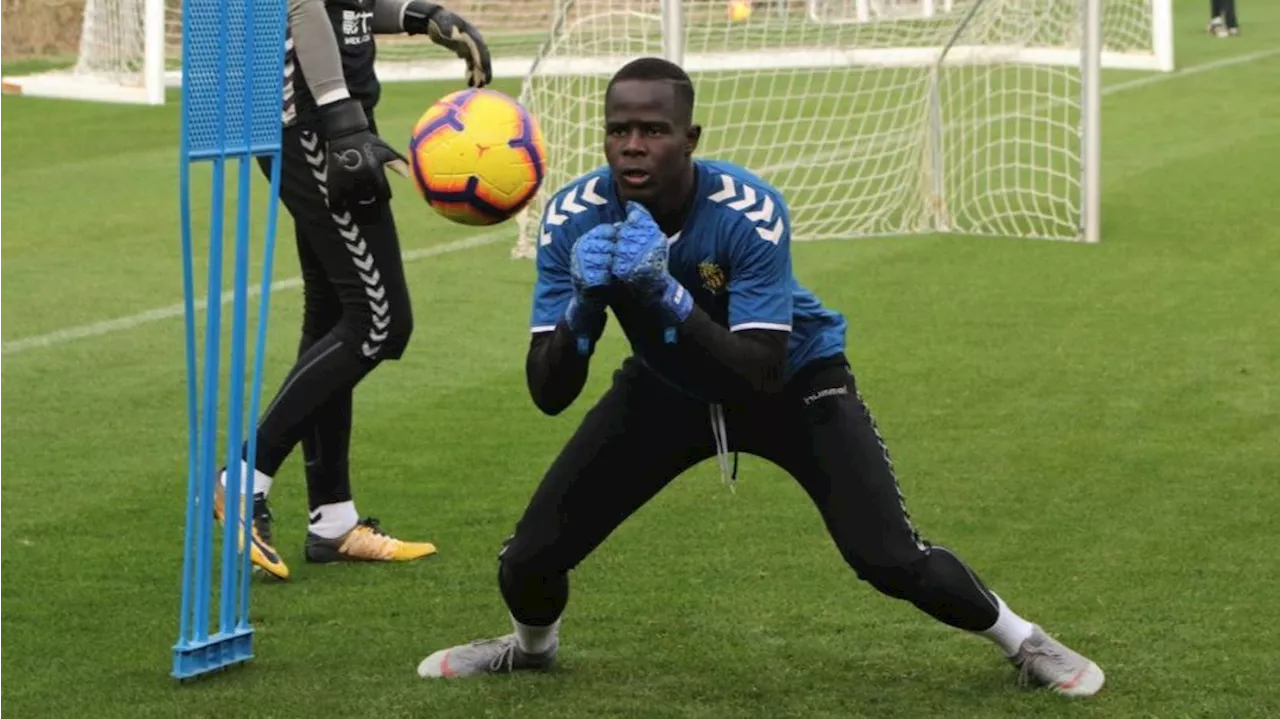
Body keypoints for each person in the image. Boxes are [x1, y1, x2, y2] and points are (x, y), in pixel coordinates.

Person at [413, 57, 1105, 698]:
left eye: (653, 130)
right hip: (666, 385)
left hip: (796, 380)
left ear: (690, 138)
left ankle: (1023, 639)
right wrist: (584, 307)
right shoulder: (572, 217)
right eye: (618, 129)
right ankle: (531, 648)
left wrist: (667, 297)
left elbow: (760, 371)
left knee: (889, 558)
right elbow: (549, 391)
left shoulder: (749, 209)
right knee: (527, 561)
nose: (632, 145)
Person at [212, 0, 493, 579]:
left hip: (333, 117)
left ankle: (333, 519)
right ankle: (241, 481)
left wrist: (419, 16)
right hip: (315, 123)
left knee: (334, 317)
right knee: (380, 321)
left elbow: (350, 7)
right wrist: (341, 117)